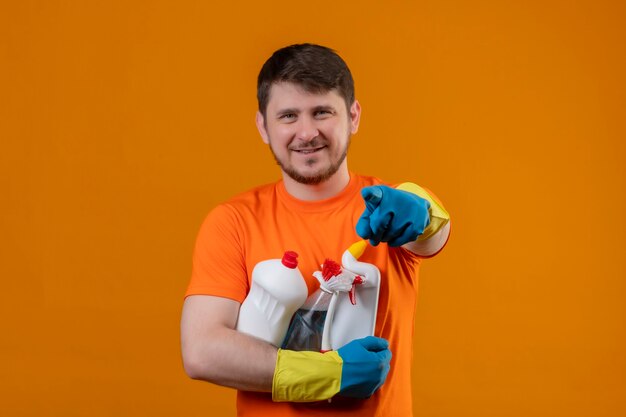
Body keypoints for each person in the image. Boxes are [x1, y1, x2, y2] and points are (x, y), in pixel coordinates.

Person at [181, 43, 451, 416]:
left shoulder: (386, 210)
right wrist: (329, 373)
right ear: (263, 126)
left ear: (353, 116)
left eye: (322, 112)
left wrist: (423, 214)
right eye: (288, 116)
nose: (307, 133)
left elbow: (432, 232)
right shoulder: (233, 221)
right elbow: (202, 351)